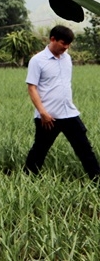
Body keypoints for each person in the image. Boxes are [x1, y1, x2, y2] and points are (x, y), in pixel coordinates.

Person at [24, 25, 100, 180]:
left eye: (69, 44)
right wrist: (42, 112)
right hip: (48, 116)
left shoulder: (67, 58)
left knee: (85, 149)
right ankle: (27, 179)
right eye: (63, 43)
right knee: (40, 150)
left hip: (69, 113)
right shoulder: (37, 60)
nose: (66, 47)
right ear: (52, 39)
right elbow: (32, 88)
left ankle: (96, 179)